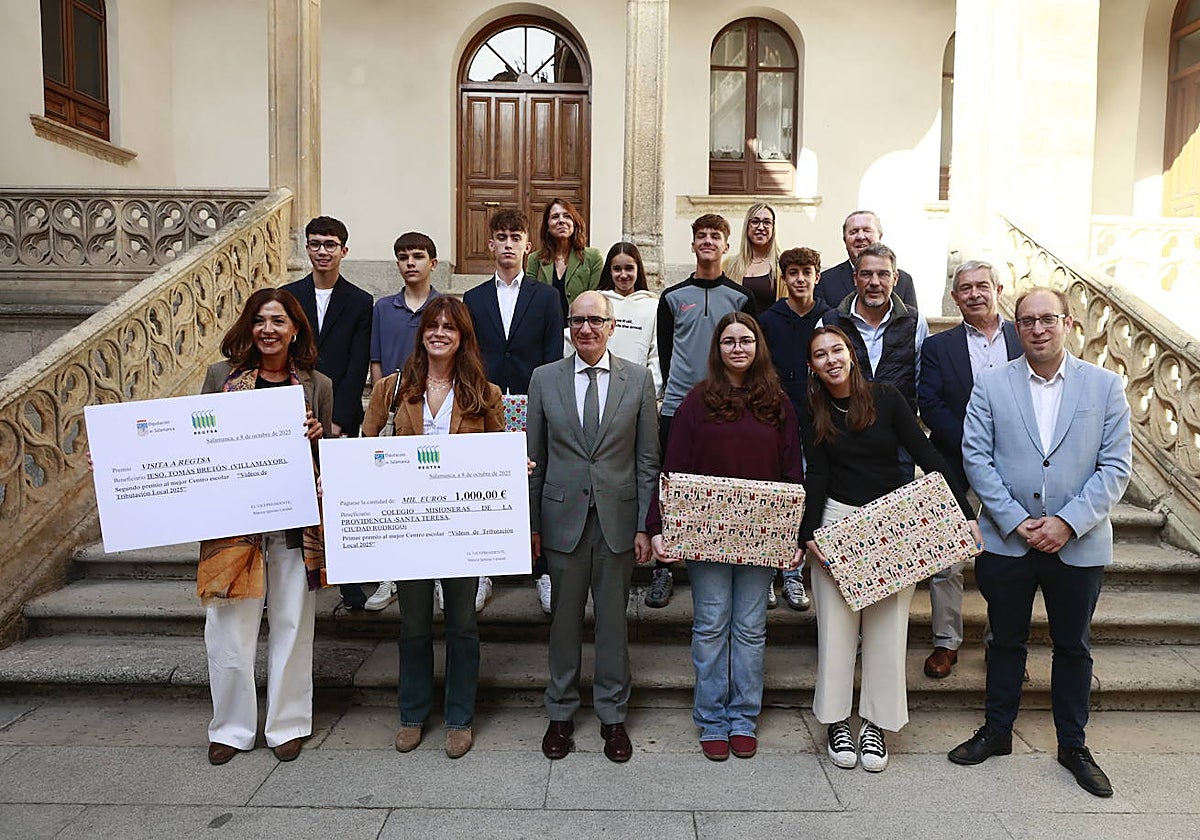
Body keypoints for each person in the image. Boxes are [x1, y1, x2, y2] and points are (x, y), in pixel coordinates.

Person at [948, 287, 1132, 799]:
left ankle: (1073, 745)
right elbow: (976, 458)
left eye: (1048, 319)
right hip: (1009, 542)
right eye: (1027, 320)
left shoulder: (1105, 385)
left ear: (1068, 323)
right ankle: (997, 731)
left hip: (1078, 544)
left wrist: (1067, 523)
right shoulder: (991, 384)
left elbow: (1115, 466)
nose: (1038, 329)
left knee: (1073, 646)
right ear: (1017, 327)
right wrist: (1016, 520)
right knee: (1004, 642)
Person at [802, 325, 978, 774]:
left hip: (891, 528)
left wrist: (965, 514)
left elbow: (928, 457)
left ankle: (875, 724)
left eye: (837, 350)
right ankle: (837, 721)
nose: (830, 359)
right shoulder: (814, 408)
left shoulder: (887, 398)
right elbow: (816, 474)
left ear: (851, 353)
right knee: (836, 633)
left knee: (888, 632)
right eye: (820, 354)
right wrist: (809, 534)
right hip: (837, 524)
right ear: (813, 366)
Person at [648, 312, 803, 762]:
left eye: (746, 340)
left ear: (758, 347)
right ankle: (712, 717)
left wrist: (793, 533)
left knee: (751, 628)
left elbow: (792, 472)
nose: (738, 348)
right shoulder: (697, 402)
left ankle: (743, 717)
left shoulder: (778, 403)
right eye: (729, 341)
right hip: (707, 537)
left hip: (762, 535)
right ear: (717, 349)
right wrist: (658, 526)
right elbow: (673, 468)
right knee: (712, 624)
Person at [361, 297, 505, 760]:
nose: (439, 333)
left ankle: (460, 717)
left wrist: (512, 468)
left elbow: (498, 452)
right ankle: (412, 713)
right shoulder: (392, 389)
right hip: (411, 528)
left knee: (462, 624)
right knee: (414, 625)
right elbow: (366, 448)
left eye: (449, 327)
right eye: (432, 325)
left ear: (463, 337)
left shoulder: (484, 392)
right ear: (422, 332)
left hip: (462, 529)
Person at [199, 288, 330, 766]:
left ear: (295, 329)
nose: (268, 330)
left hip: (294, 526)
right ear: (248, 327)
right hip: (235, 526)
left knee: (293, 624)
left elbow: (323, 463)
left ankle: (287, 724)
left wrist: (318, 437)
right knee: (228, 629)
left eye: (278, 321)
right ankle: (231, 728)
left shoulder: (317, 384)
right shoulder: (221, 378)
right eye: (259, 321)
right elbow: (195, 441)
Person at [528, 291, 660, 764]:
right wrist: (532, 525)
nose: (586, 328)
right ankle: (560, 712)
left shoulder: (638, 380)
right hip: (561, 520)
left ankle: (612, 714)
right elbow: (534, 460)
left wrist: (645, 525)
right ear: (569, 327)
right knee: (563, 622)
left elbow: (647, 460)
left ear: (612, 326)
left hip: (617, 521)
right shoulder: (544, 379)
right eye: (577, 320)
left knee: (612, 623)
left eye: (595, 321)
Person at [916, 260, 1022, 678]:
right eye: (965, 288)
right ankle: (946, 642)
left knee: (1009, 560)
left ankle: (1001, 643)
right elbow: (930, 404)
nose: (974, 294)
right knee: (947, 561)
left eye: (982, 286)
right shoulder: (938, 347)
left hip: (1014, 466)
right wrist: (974, 445)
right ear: (955, 297)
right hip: (954, 463)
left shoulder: (1024, 337)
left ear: (998, 290)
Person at [649, 214, 756, 609]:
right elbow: (666, 352)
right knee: (672, 482)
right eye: (701, 235)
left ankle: (724, 556)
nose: (708, 241)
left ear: (727, 245)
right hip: (679, 406)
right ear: (693, 244)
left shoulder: (741, 297)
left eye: (716, 235)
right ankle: (664, 568)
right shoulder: (672, 297)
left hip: (728, 406)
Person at [463, 208, 564, 612]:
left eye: (515, 237)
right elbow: (469, 354)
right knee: (485, 484)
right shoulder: (473, 298)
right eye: (501, 237)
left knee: (535, 484)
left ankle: (543, 571)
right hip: (486, 405)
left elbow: (553, 354)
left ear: (528, 245)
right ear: (490, 244)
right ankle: (483, 571)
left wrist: (546, 402)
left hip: (532, 401)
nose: (508, 244)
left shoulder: (547, 296)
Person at [282, 216, 373, 613]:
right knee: (295, 499)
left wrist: (340, 417)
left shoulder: (360, 301)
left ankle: (348, 582)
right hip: (296, 411)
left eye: (330, 244)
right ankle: (294, 579)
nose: (322, 251)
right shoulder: (288, 296)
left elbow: (358, 364)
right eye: (316, 244)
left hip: (338, 414)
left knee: (339, 499)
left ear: (343, 251)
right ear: (307, 248)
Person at [362, 232, 444, 613]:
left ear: (433, 263)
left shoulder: (443, 308)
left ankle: (442, 574)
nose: (410, 263)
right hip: (399, 412)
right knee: (397, 499)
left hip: (436, 409)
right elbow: (377, 361)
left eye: (418, 256)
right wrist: (385, 402)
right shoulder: (383, 308)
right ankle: (392, 573)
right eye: (403, 257)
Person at [758, 246, 830, 612]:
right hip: (777, 420)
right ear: (784, 278)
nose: (800, 279)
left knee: (804, 498)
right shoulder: (768, 320)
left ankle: (793, 573)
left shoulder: (830, 317)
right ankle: (768, 573)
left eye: (806, 272)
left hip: (818, 421)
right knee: (776, 496)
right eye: (793, 273)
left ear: (817, 276)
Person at [821, 242, 928, 417]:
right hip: (845, 424)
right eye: (866, 274)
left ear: (895, 278)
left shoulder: (915, 323)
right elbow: (818, 381)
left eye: (883, 274)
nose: (875, 282)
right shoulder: (829, 322)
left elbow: (922, 382)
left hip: (899, 427)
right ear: (855, 278)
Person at [594, 242, 662, 398]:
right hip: (600, 388)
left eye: (629, 268)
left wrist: (649, 391)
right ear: (609, 271)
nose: (623, 275)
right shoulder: (597, 302)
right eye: (617, 269)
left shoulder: (653, 306)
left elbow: (656, 355)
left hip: (638, 391)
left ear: (638, 269)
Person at [815, 211, 919, 310]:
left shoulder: (904, 281)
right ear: (845, 240)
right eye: (853, 232)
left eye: (867, 230)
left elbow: (910, 319)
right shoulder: (825, 281)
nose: (860, 237)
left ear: (880, 236)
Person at [528, 198, 603, 320]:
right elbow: (530, 297)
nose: (561, 220)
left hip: (580, 325)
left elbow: (596, 298)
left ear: (574, 223)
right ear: (547, 226)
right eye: (555, 217)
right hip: (544, 325)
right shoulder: (535, 259)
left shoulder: (593, 257)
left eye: (567, 216)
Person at [724, 203, 783, 312]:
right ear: (747, 226)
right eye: (755, 221)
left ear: (773, 227)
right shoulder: (729, 265)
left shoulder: (782, 266)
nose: (761, 227)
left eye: (767, 222)